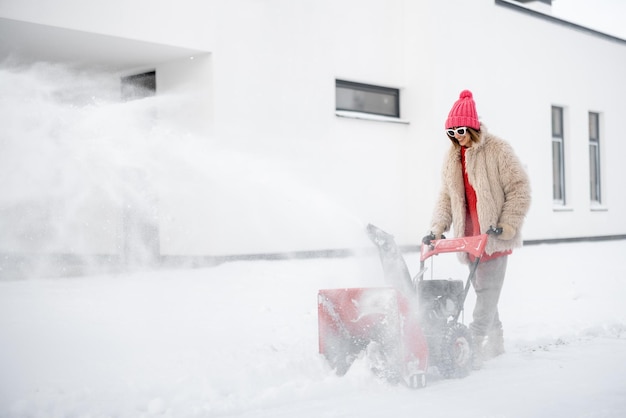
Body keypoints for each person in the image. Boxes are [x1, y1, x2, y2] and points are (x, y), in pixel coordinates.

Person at [424, 89, 531, 369]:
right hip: (469, 239)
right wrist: (437, 228)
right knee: (485, 289)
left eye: (461, 130)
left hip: (493, 237)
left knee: (485, 292)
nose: (457, 136)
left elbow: (519, 189)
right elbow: (446, 197)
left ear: (473, 126)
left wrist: (507, 225)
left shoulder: (498, 150)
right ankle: (496, 343)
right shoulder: (452, 158)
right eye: (451, 132)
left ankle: (472, 343)